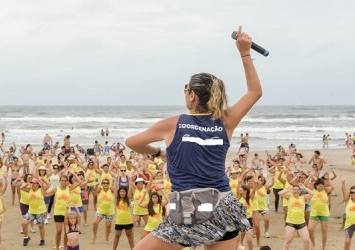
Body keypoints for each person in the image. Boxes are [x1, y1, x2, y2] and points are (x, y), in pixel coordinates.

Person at [125, 26, 262, 249]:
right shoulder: (226, 120)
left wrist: (160, 153)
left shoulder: (174, 123)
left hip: (190, 205)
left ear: (192, 96)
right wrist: (245, 52)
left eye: (187, 90)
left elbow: (132, 142)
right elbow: (254, 92)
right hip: (223, 205)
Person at [278, 184, 314, 250]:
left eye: (297, 190)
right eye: (294, 190)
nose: (296, 191)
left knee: (306, 241)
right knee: (288, 241)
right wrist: (289, 190)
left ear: (300, 191)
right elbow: (279, 193)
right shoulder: (289, 196)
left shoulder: (303, 197)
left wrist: (305, 187)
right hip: (290, 222)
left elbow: (312, 194)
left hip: (301, 223)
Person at [113, 186, 135, 250]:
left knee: (130, 236)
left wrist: (130, 179)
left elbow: (130, 189)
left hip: (128, 221)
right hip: (119, 222)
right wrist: (116, 179)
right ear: (119, 192)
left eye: (124, 191)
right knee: (117, 236)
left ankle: (132, 248)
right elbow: (114, 188)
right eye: (121, 191)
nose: (122, 193)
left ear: (126, 192)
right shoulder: (117, 199)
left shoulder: (128, 199)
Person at [340, 176, 355, 250]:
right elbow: (343, 190)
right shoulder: (348, 199)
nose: (353, 194)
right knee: (347, 242)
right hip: (349, 224)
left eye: (354, 192)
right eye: (351, 192)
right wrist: (343, 182)